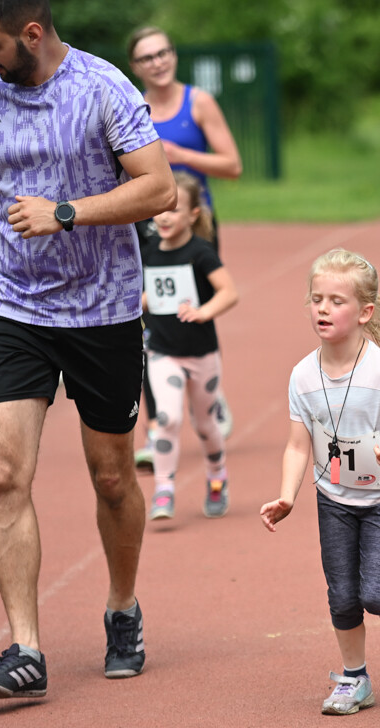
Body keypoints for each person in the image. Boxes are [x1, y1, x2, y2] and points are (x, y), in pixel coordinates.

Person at [0, 0, 175, 698]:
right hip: (16, 308)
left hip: (104, 309)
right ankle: (25, 648)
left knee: (112, 477)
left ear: (31, 31)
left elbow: (159, 186)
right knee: (1, 471)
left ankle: (122, 606)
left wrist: (66, 211)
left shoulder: (103, 87)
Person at [260, 249, 380, 716]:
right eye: (316, 299)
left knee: (375, 593)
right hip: (333, 498)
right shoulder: (302, 376)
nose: (322, 308)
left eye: (335, 301)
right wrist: (287, 495)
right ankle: (354, 679)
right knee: (342, 596)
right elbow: (298, 445)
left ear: (364, 313)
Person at [128, 26, 242, 451]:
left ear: (174, 56)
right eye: (147, 57)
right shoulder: (130, 107)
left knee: (194, 311)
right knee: (148, 320)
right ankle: (156, 423)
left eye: (163, 53)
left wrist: (181, 156)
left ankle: (207, 392)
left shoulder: (199, 102)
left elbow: (232, 165)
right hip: (147, 224)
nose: (157, 62)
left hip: (195, 224)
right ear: (135, 67)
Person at [141, 173, 238, 520]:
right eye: (161, 209)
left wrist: (202, 312)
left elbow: (229, 291)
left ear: (194, 214)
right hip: (162, 352)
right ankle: (164, 489)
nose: (165, 217)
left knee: (206, 425)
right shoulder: (149, 252)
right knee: (166, 417)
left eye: (175, 209)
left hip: (201, 355)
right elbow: (149, 294)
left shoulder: (200, 252)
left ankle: (217, 478)